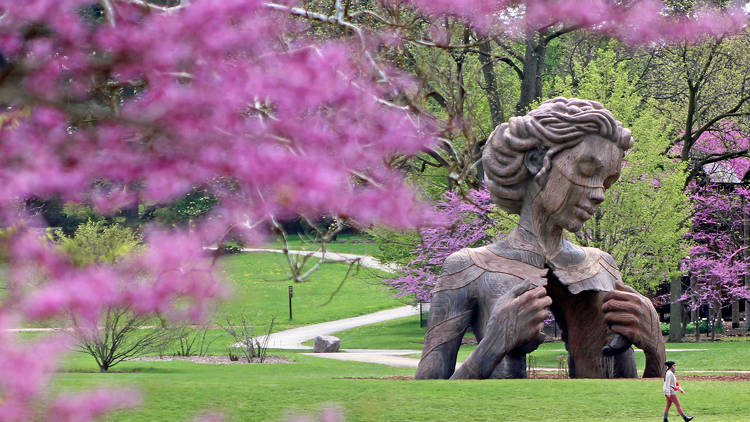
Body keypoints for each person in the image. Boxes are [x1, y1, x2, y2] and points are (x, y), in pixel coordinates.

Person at [415, 98, 666, 380]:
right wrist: (494, 345)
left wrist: (655, 348)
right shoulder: (468, 268)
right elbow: (424, 398)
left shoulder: (602, 266)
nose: (600, 193)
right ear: (536, 160)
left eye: (608, 181)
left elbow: (626, 401)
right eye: (587, 170)